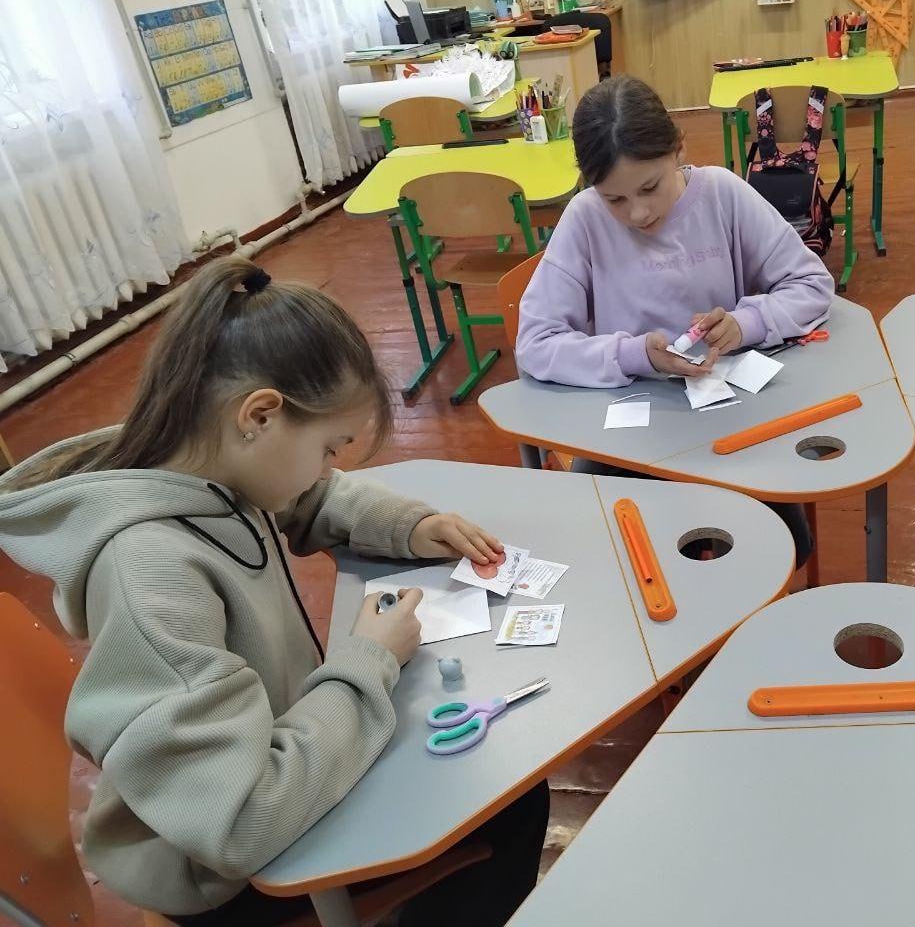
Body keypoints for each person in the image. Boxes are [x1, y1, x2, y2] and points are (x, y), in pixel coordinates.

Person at [0, 257, 547, 925]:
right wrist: (369, 659)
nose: (328, 468)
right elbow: (243, 823)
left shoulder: (201, 462)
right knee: (513, 804)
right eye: (329, 447)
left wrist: (412, 526)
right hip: (227, 871)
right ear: (260, 415)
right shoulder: (151, 576)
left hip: (262, 758)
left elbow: (311, 496)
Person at [515, 75, 835, 568]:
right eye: (614, 199)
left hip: (732, 417)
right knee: (605, 550)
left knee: (778, 548)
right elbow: (536, 342)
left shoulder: (722, 194)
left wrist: (746, 323)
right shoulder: (584, 219)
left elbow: (811, 284)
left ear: (679, 148)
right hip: (629, 431)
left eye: (650, 187)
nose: (638, 213)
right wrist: (632, 354)